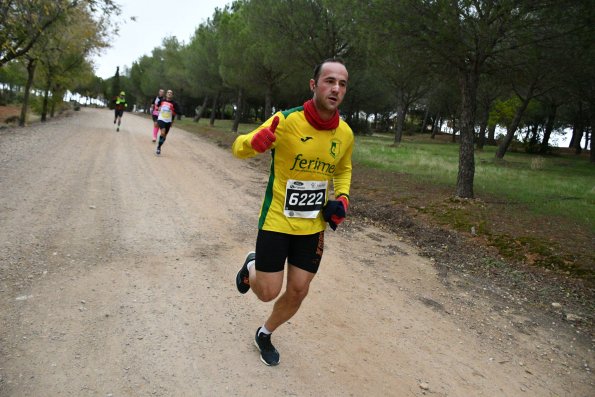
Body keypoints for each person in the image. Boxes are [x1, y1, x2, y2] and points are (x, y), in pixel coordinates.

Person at [231, 58, 354, 366]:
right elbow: (238, 147)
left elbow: (343, 169)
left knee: (299, 291)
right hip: (277, 220)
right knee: (267, 292)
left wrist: (342, 198)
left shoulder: (345, 134)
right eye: (329, 81)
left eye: (342, 83)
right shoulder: (285, 121)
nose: (335, 88)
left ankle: (264, 333)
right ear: (314, 85)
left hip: (312, 227)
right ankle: (251, 267)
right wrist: (254, 142)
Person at [155, 89, 181, 155]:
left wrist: (173, 110)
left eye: (171, 93)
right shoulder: (161, 100)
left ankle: (159, 147)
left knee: (164, 136)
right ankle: (158, 148)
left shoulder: (174, 103)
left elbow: (179, 112)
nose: (169, 94)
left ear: (172, 95)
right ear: (166, 94)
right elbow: (156, 106)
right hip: (161, 119)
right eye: (168, 92)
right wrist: (158, 109)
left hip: (168, 121)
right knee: (163, 132)